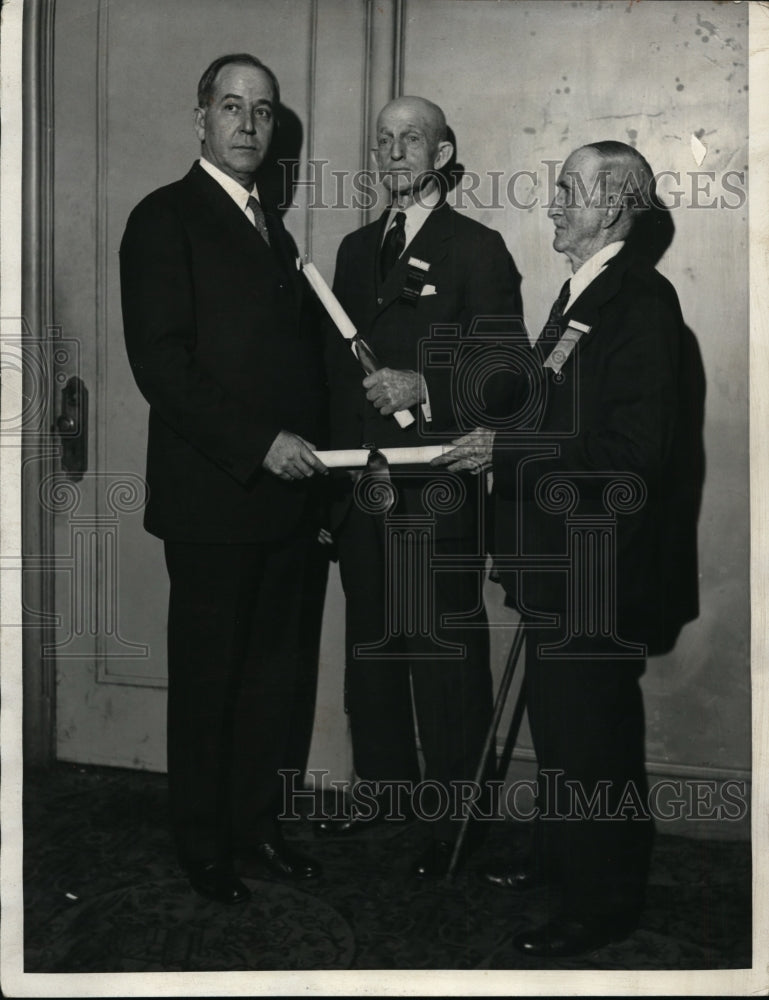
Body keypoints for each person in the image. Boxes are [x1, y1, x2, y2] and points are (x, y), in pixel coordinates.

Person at [434, 141, 699, 955]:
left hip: (599, 571)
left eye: (567, 192)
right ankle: (559, 858)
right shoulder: (581, 296)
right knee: (561, 727)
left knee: (593, 741)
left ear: (615, 205)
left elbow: (630, 455)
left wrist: (506, 454)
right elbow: (566, 418)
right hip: (558, 562)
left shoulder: (640, 305)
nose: (551, 204)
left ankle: (601, 901)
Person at [120, 53, 329, 904]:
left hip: (284, 498)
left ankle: (256, 828)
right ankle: (204, 845)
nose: (249, 123)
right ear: (199, 117)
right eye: (232, 107)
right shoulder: (164, 218)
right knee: (211, 680)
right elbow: (162, 367)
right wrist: (258, 443)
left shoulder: (270, 227)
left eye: (264, 111)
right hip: (213, 498)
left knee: (272, 680)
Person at [322, 95, 523, 877]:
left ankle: (454, 826)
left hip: (435, 491)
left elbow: (506, 375)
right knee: (371, 650)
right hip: (360, 489)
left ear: (442, 153)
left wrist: (424, 387)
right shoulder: (351, 248)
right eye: (383, 139)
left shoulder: (478, 247)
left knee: (442, 657)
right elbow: (337, 377)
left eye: (411, 138)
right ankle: (382, 794)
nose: (393, 151)